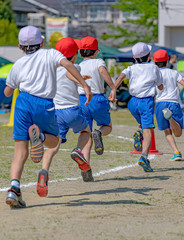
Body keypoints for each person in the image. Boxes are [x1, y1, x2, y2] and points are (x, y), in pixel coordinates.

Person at [3, 26, 92, 208]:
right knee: (53, 142)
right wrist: (84, 84)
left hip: (23, 103)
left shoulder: (18, 65)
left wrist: (11, 85)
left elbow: (7, 92)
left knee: (20, 152)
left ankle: (14, 189)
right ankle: (41, 136)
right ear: (42, 43)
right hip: (44, 104)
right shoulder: (50, 54)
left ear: (20, 47)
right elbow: (67, 64)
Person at [42, 37, 93, 182]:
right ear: (75, 55)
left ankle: (44, 171)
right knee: (86, 131)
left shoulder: (51, 69)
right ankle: (78, 150)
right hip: (72, 111)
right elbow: (68, 73)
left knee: (54, 145)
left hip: (55, 113)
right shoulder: (76, 67)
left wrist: (79, 78)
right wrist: (82, 82)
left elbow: (64, 76)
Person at [115, 42, 163, 172]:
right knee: (149, 130)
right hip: (145, 102)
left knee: (143, 124)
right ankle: (144, 156)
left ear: (135, 58)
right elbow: (160, 85)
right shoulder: (154, 68)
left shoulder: (131, 68)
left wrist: (113, 90)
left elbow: (121, 77)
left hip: (132, 103)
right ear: (149, 56)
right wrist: (160, 87)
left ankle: (139, 132)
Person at [77, 36, 117, 178]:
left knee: (85, 135)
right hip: (97, 98)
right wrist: (112, 87)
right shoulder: (98, 61)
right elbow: (102, 71)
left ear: (81, 53)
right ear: (95, 52)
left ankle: (86, 168)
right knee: (107, 126)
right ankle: (99, 133)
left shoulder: (78, 65)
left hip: (82, 100)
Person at [153, 50, 184, 161]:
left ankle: (176, 152)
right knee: (178, 134)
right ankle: (170, 119)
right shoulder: (174, 73)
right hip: (173, 103)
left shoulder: (155, 74)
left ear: (155, 63)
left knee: (166, 131)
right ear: (168, 61)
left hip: (160, 104)